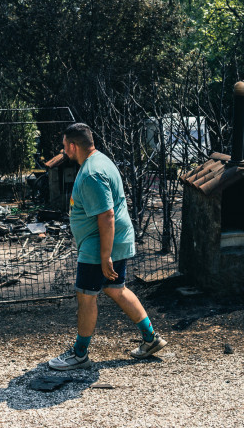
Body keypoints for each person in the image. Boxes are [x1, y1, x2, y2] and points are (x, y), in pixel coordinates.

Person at [48, 123, 167, 370]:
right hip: (113, 240)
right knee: (116, 289)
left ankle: (79, 354)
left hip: (99, 245)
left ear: (72, 145)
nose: (63, 151)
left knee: (86, 296)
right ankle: (151, 338)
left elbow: (107, 215)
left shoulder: (91, 173)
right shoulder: (101, 160)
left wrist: (105, 255)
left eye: (64, 146)